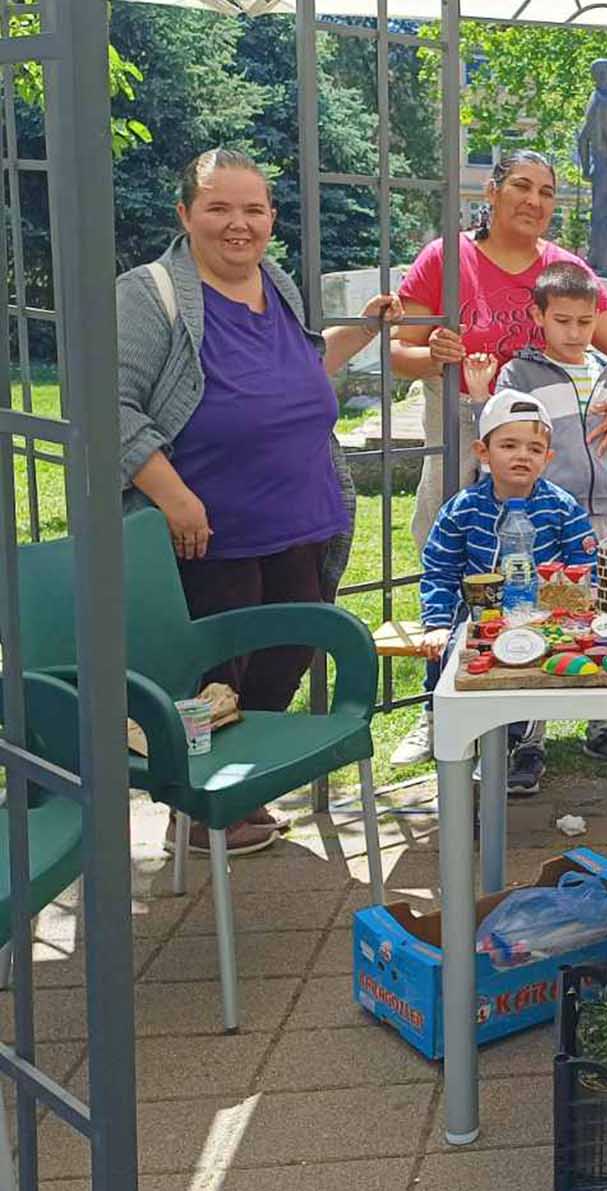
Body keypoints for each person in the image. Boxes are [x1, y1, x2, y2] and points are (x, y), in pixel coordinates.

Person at [117, 147, 404, 856]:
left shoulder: (274, 281)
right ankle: (198, 805)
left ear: (272, 218)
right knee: (215, 675)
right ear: (185, 214)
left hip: (300, 518)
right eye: (218, 207)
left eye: (253, 209)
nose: (237, 224)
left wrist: (362, 332)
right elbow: (111, 407)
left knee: (290, 651)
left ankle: (240, 785)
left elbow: (300, 366)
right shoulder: (148, 295)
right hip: (208, 533)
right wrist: (175, 499)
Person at [389, 148, 607, 764]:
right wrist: (436, 357)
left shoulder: (566, 269)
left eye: (547, 192)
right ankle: (441, 706)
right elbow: (399, 351)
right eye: (522, 187)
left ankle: (572, 709)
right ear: (493, 189)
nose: (534, 201)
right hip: (463, 428)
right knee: (457, 562)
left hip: (546, 450)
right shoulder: (446, 259)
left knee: (547, 574)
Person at [490, 261, 607, 766]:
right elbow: (505, 439)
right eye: (562, 321)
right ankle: (528, 737)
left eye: (584, 321)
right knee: (539, 617)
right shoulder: (519, 374)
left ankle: (603, 725)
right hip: (547, 519)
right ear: (538, 315)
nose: (574, 332)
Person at [417, 392, 599, 795]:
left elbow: (586, 567)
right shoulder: (463, 508)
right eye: (509, 445)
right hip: (478, 616)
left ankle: (527, 745)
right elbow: (440, 569)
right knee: (449, 649)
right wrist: (435, 623)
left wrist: (572, 606)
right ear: (483, 452)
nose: (522, 456)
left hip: (543, 616)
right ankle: (439, 721)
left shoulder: (561, 508)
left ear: (548, 457)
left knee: (533, 655)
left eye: (534, 449)